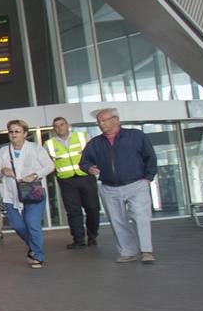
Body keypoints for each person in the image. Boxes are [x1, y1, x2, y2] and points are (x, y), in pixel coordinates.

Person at [80, 107, 157, 264]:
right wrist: (89, 168)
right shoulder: (95, 143)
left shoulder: (136, 136)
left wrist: (148, 178)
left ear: (116, 120)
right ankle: (128, 252)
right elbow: (84, 161)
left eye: (104, 120)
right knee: (117, 220)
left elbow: (150, 157)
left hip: (136, 183)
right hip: (109, 187)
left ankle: (146, 251)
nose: (101, 124)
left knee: (141, 217)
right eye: (98, 122)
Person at [0, 120, 56, 269]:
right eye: (11, 131)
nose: (13, 134)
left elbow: (50, 166)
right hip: (10, 193)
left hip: (33, 190)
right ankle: (33, 246)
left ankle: (38, 256)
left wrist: (35, 174)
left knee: (32, 224)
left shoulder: (36, 149)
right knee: (18, 226)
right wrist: (2, 171)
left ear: (25, 133)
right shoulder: (3, 151)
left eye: (17, 131)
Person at [45, 115, 100, 249]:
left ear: (67, 125)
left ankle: (92, 236)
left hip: (86, 177)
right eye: (56, 126)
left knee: (92, 208)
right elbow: (46, 163)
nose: (60, 127)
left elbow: (95, 154)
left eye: (62, 124)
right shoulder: (49, 144)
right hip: (66, 180)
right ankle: (78, 239)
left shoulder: (82, 137)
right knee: (73, 211)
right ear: (54, 129)